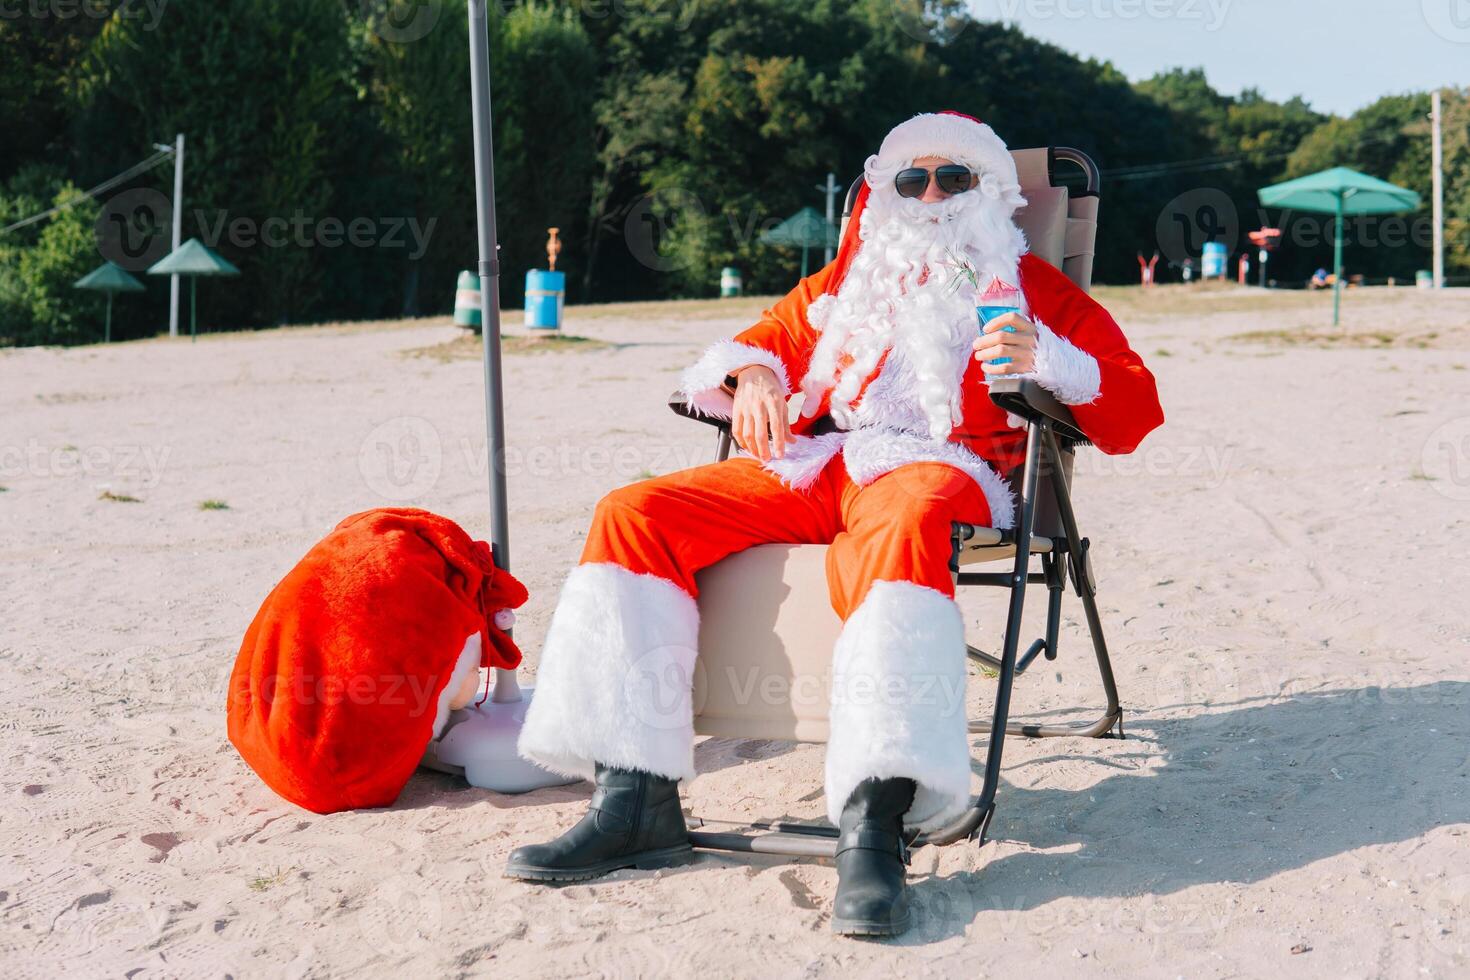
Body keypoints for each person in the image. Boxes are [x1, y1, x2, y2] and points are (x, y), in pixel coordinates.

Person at [506, 111, 1164, 937]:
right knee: (633, 513)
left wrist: (1054, 364)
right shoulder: (844, 284)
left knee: (907, 516)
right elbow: (756, 343)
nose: (929, 196)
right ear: (882, 193)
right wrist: (750, 375)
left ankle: (875, 823)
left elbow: (1137, 406)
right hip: (817, 463)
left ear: (991, 193)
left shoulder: (1033, 291)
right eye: (909, 179)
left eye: (952, 178)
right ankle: (633, 797)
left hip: (943, 469)